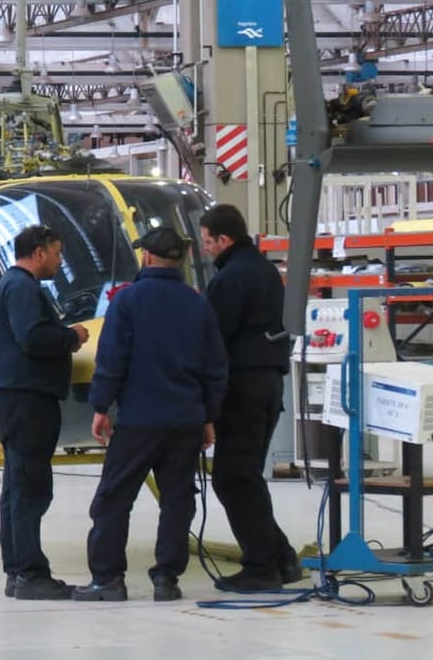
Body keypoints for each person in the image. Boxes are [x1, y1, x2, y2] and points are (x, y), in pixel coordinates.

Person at [72, 228, 228, 603]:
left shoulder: (127, 302)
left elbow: (112, 359)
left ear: (147, 257)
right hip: (186, 421)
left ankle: (108, 579)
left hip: (139, 420)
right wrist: (208, 416)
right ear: (179, 260)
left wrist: (100, 406)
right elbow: (215, 368)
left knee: (113, 499)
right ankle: (167, 579)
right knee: (177, 499)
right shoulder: (197, 304)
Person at [199, 204, 300, 591]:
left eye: (209, 242)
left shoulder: (230, 280)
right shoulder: (266, 271)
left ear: (224, 239)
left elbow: (214, 340)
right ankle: (281, 557)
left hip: (242, 387)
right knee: (246, 475)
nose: (206, 249)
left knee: (233, 477)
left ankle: (261, 566)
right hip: (269, 385)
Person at [0, 224, 89, 600]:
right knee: (29, 489)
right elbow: (32, 337)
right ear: (40, 251)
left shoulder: (13, 286)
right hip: (27, 401)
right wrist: (71, 336)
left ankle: (19, 571)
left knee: (18, 488)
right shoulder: (23, 288)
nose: (60, 262)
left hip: (17, 399)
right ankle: (29, 573)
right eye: (58, 253)